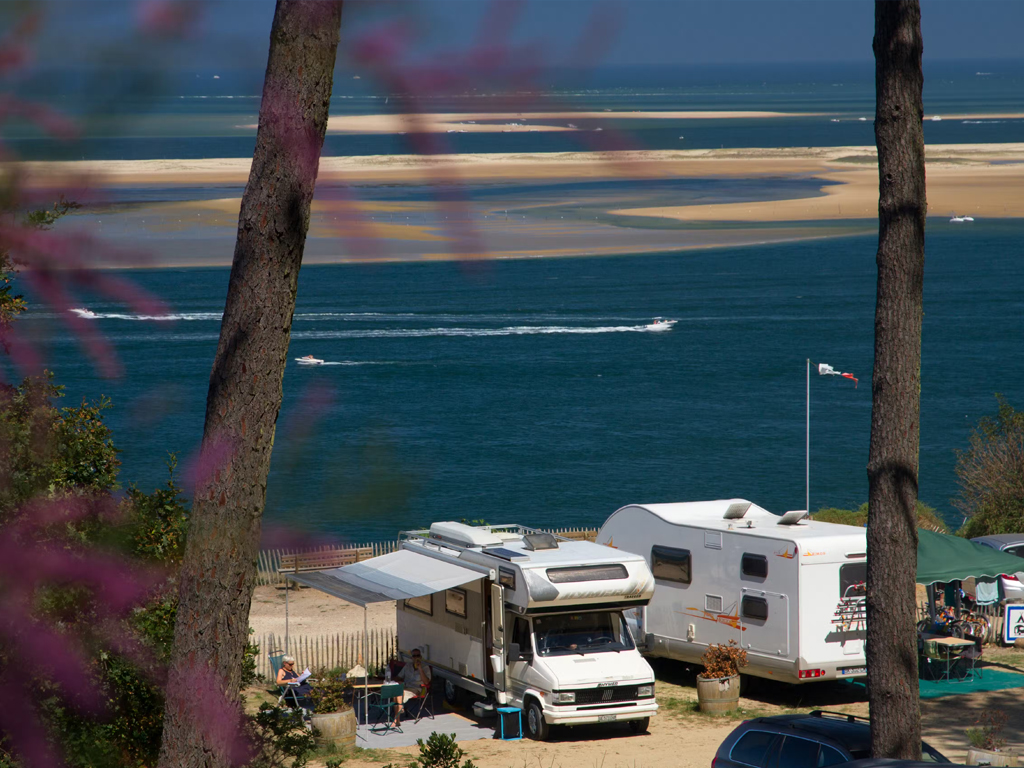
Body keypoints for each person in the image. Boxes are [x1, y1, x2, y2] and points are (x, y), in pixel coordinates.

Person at [393, 648, 431, 726]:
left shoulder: (425, 667)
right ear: (411, 658)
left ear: (420, 657)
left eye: (418, 655)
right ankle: (399, 714)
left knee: (400, 693)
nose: (416, 657)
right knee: (396, 692)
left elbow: (426, 682)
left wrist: (420, 669)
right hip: (406, 687)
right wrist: (392, 680)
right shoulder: (408, 666)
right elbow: (399, 676)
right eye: (414, 656)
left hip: (417, 689)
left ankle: (396, 719)